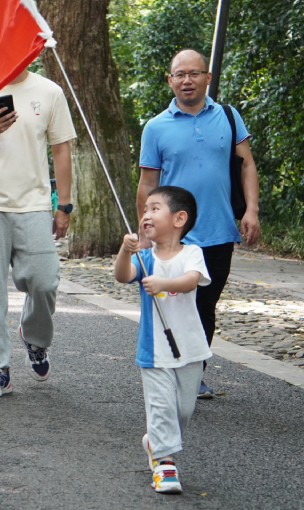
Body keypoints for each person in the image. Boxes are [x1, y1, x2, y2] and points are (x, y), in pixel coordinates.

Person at [137, 48, 261, 398]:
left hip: (219, 231)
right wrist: (145, 231)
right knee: (174, 303)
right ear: (170, 80)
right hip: (173, 236)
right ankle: (170, 368)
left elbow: (247, 165)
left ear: (208, 77)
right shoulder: (156, 127)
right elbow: (147, 183)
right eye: (180, 74)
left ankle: (193, 373)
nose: (187, 80)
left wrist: (251, 210)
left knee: (204, 306)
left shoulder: (229, 117)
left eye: (194, 73)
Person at [0, 67, 76, 397]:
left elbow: (61, 149)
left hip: (34, 204)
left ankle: (34, 337)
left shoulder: (50, 91)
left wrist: (64, 205)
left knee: (44, 280)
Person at [113, 185, 212, 495]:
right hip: (154, 350)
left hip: (190, 348)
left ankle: (155, 441)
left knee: (182, 410)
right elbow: (122, 275)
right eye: (145, 210)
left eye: (155, 209)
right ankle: (164, 463)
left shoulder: (192, 253)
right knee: (161, 407)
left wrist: (163, 283)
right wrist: (125, 251)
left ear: (179, 219)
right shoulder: (144, 258)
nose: (146, 215)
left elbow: (191, 281)